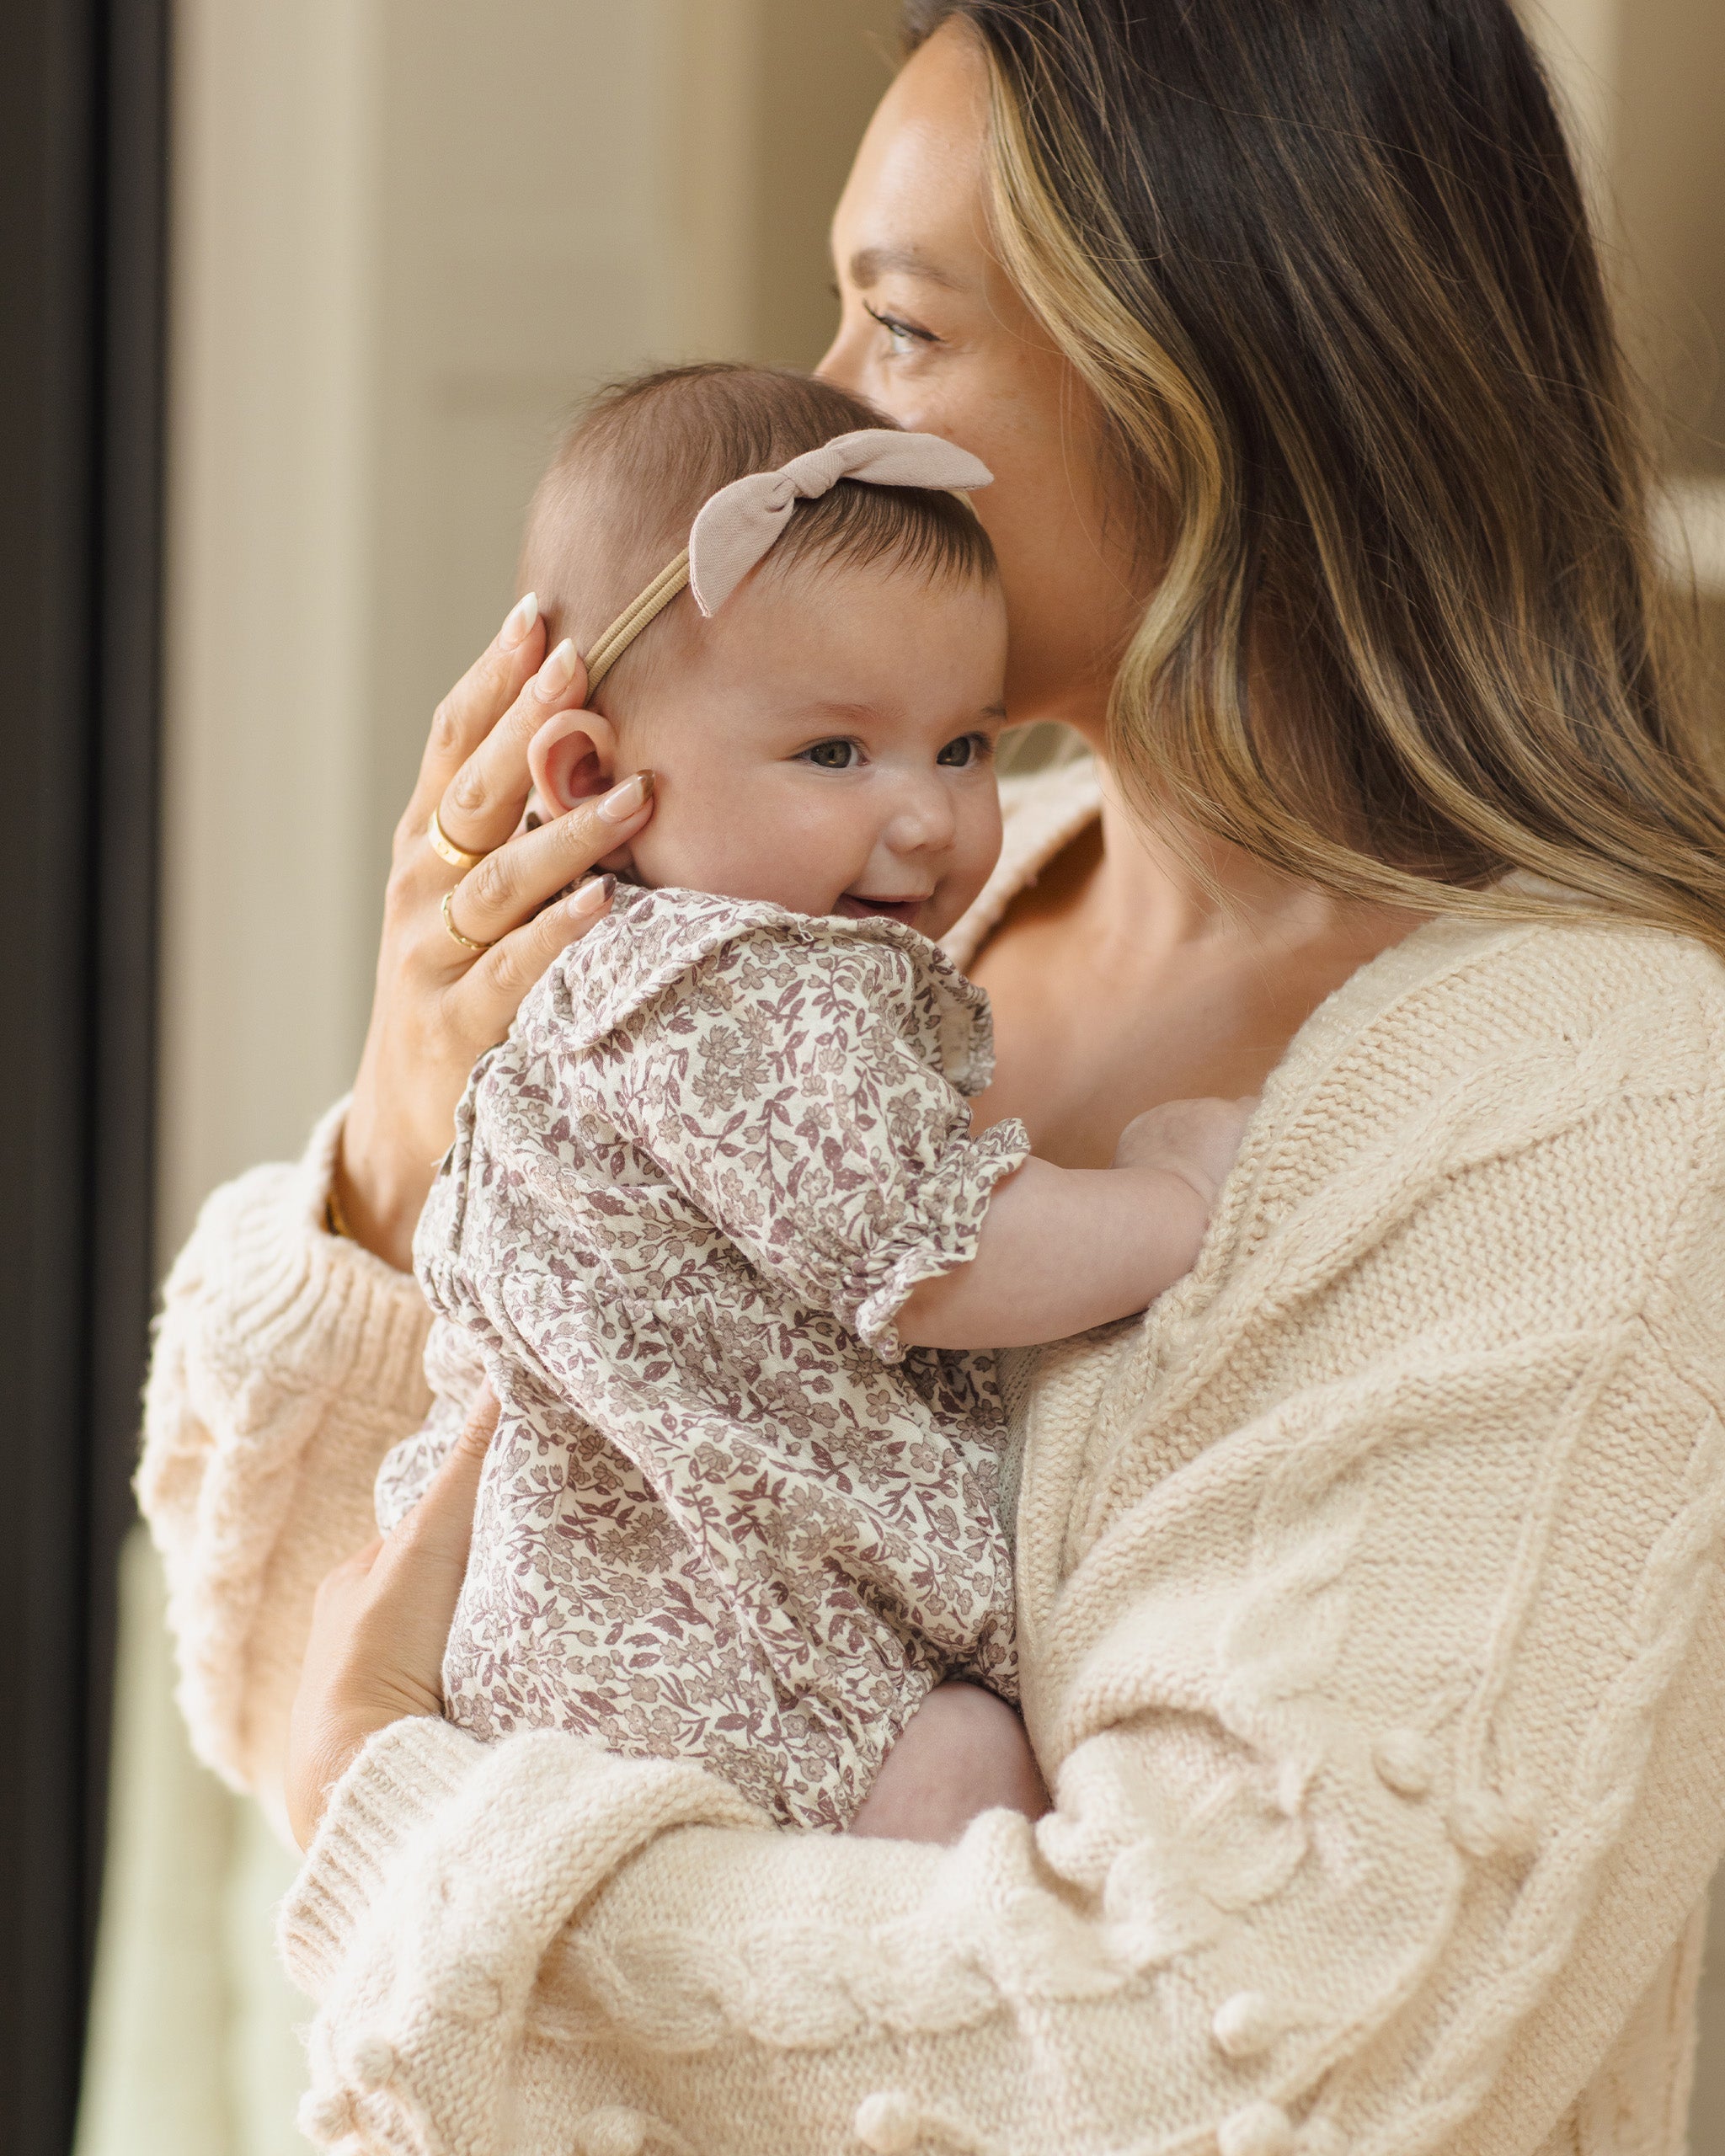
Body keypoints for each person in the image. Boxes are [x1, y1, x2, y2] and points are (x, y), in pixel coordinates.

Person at [138, 3, 1725, 2151]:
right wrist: (415, 1127)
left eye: (898, 324)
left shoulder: (1589, 1111)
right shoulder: (858, 935)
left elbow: (1241, 2048)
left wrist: (427, 1848)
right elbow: (278, 1699)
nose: (817, 413)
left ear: (1225, 374)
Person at [380, 360, 1251, 1838]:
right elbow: (937, 1252)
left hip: (580, 1627)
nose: (925, 813)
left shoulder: (604, 988)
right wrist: (1177, 1207)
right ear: (594, 772)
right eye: (834, 753)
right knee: (974, 1785)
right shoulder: (748, 987)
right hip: (714, 1640)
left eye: (962, 746)